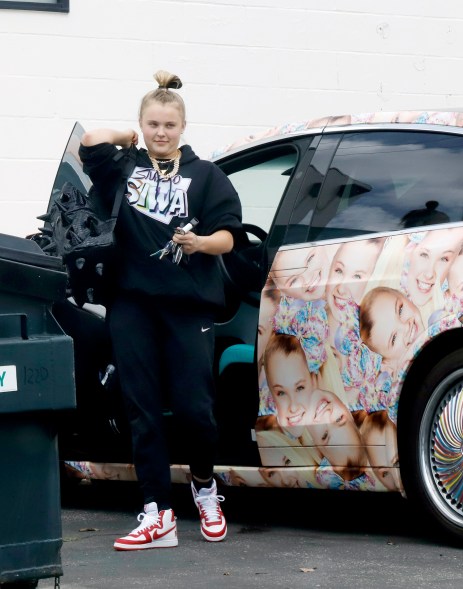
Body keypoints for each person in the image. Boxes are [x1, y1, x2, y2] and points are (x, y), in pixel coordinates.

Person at [79, 70, 243, 550]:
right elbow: (90, 142)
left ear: (183, 127)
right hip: (132, 304)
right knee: (141, 409)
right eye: (152, 124)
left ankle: (204, 485)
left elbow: (229, 236)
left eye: (169, 125)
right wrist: (126, 138)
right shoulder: (123, 166)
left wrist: (199, 243)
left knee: (196, 410)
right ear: (142, 124)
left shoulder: (206, 175)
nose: (161, 132)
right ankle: (158, 514)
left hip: (188, 307)